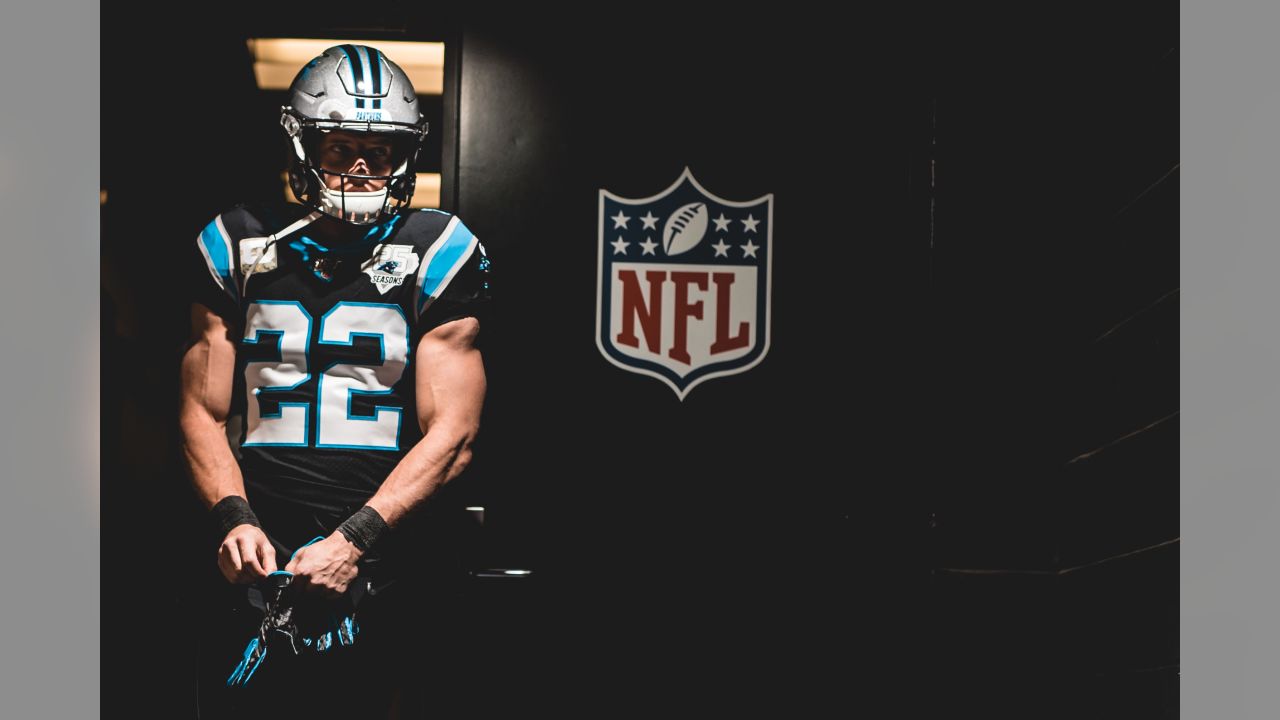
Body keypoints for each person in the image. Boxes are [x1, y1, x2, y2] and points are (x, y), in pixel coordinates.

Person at [179, 44, 490, 718]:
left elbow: (455, 435)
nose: (359, 165)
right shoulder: (240, 243)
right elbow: (201, 410)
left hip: (389, 559)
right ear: (301, 145)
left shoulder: (437, 249)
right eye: (340, 144)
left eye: (379, 150)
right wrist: (233, 518)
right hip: (257, 550)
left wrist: (355, 540)